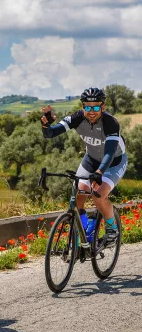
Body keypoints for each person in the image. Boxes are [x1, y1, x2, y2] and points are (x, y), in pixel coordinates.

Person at [41, 87, 127, 245]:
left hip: (114, 161)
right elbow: (51, 134)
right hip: (92, 159)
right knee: (79, 195)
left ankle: (112, 231)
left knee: (98, 194)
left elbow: (109, 152)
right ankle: (85, 232)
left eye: (96, 107)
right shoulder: (77, 118)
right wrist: (46, 126)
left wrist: (100, 172)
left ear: (103, 107)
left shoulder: (110, 123)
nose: (91, 111)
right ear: (82, 107)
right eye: (88, 107)